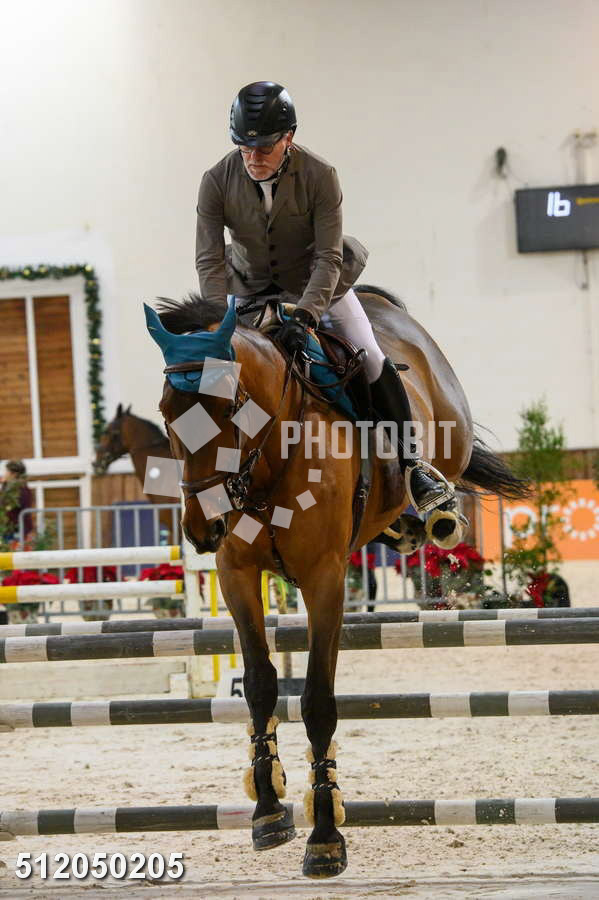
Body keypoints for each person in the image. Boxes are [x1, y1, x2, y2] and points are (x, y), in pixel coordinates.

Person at [195, 81, 451, 513]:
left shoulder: (319, 175)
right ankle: (208, 481)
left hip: (316, 284)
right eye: (244, 146)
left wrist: (305, 317)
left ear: (288, 138)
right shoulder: (216, 181)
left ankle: (414, 467)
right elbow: (208, 261)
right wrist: (219, 323)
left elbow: (329, 257)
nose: (253, 158)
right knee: (212, 378)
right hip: (248, 288)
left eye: (264, 147)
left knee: (371, 357)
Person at [0, 459, 33, 544]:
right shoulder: (12, 488)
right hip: (10, 529)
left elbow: (7, 504)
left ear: (14, 474)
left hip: (17, 530)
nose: (5, 474)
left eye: (7, 471)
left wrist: (5, 484)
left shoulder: (21, 489)